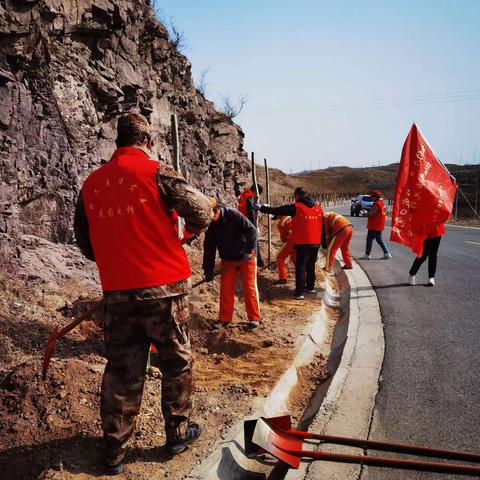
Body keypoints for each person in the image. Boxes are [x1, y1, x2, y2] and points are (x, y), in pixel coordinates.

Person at [74, 112, 212, 475]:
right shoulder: (157, 172)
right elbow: (202, 210)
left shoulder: (91, 185)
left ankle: (114, 450)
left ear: (117, 142)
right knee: (176, 361)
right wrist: (185, 236)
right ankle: (178, 433)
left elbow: (85, 244)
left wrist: (117, 253)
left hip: (118, 293)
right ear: (148, 141)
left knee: (122, 369)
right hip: (165, 290)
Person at [254, 187, 324, 300]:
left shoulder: (296, 207)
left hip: (303, 242)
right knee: (310, 266)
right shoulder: (318, 208)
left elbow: (277, 210)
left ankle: (299, 293)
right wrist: (323, 242)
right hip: (316, 242)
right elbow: (322, 225)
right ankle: (310, 288)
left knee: (300, 267)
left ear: (296, 196)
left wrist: (261, 208)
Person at [203, 200, 261, 329]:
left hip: (246, 258)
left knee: (249, 287)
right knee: (226, 289)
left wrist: (248, 251)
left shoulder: (233, 214)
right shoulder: (211, 225)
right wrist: (208, 270)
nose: (210, 219)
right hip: (228, 261)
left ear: (217, 210)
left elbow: (252, 231)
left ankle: (255, 318)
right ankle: (224, 319)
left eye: (211, 215)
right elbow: (209, 249)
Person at [237, 184, 265, 267]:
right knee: (253, 241)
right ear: (255, 191)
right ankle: (259, 262)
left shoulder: (244, 194)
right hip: (248, 222)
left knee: (245, 242)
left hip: (241, 221)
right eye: (257, 194)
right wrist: (254, 226)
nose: (256, 196)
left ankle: (247, 261)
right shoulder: (250, 196)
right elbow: (251, 212)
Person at [360, 190, 391, 260]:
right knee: (379, 239)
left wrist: (364, 214)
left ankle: (367, 254)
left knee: (369, 239)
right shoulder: (381, 203)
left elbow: (371, 213)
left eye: (372, 197)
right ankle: (386, 253)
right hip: (380, 224)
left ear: (376, 197)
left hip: (374, 225)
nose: (371, 198)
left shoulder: (376, 204)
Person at [275, 215, 296, 284]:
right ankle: (305, 276)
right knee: (294, 257)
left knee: (279, 257)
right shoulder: (292, 217)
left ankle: (282, 278)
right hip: (301, 240)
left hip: (291, 240)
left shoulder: (282, 221)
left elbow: (283, 238)